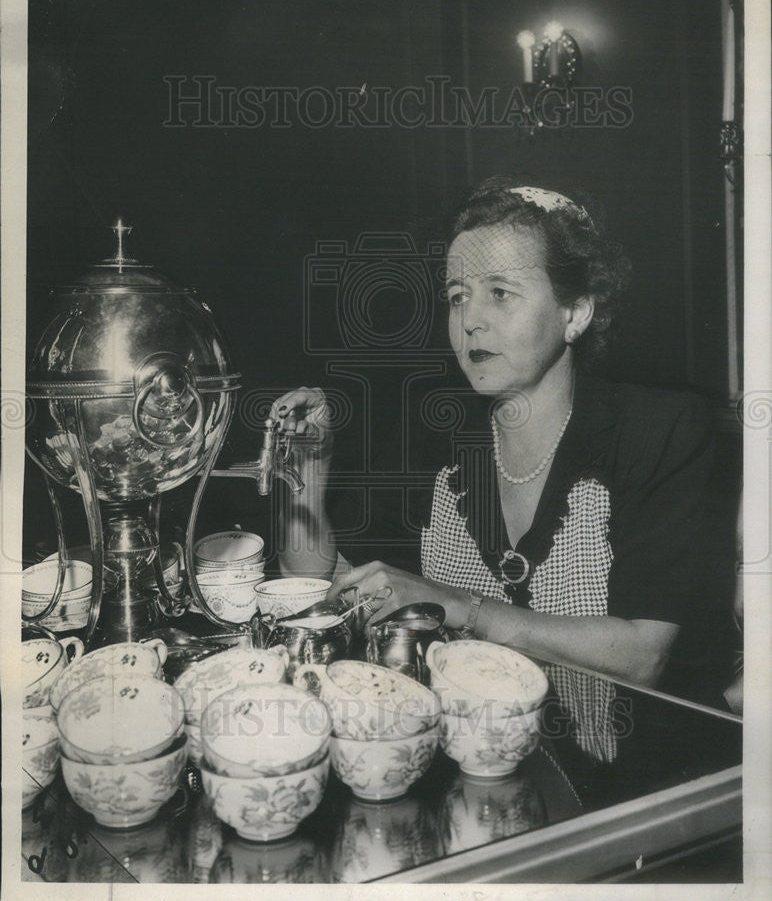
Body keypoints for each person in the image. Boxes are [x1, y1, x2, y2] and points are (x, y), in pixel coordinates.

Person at [271, 177, 734, 758]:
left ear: (576, 312)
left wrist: (461, 607)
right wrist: (306, 474)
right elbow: (321, 587)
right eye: (458, 295)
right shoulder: (435, 434)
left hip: (617, 785)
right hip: (461, 770)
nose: (470, 321)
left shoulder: (658, 430)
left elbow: (643, 656)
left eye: (500, 292)